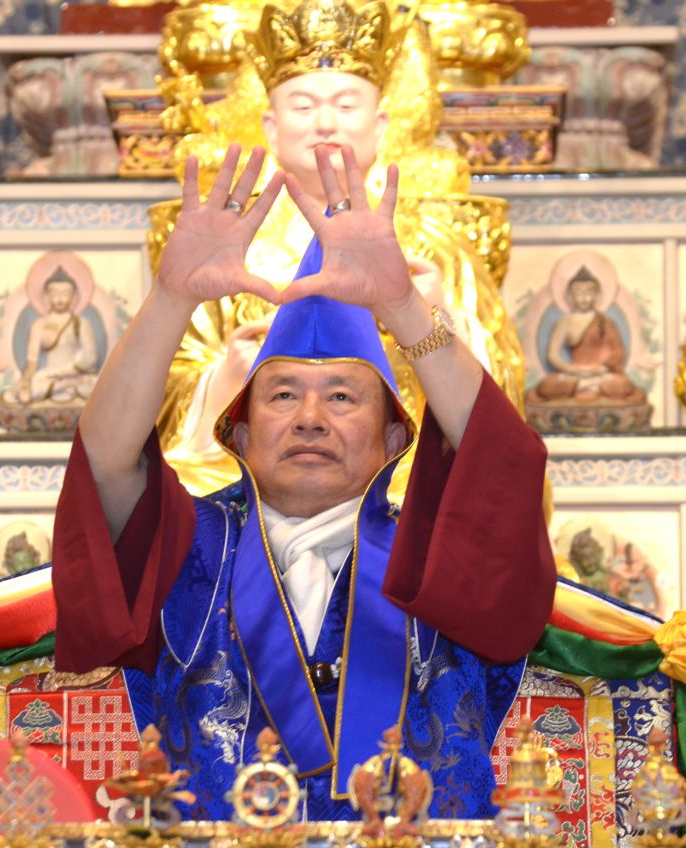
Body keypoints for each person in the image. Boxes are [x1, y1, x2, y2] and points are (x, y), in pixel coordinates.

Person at [52, 141, 554, 818]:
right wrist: (171, 299)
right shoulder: (189, 546)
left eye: (343, 397)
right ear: (236, 433)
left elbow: (502, 468)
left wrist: (403, 305)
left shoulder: (440, 557)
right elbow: (106, 462)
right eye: (283, 395)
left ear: (396, 440)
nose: (311, 418)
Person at [155, 0, 526, 495]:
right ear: (271, 127)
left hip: (403, 461)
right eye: (303, 107)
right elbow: (168, 384)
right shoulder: (230, 240)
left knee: (452, 493)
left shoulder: (431, 242)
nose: (325, 123)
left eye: (347, 106)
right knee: (182, 489)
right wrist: (226, 377)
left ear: (381, 124)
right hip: (251, 461)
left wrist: (433, 318)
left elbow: (503, 391)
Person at [532, 266, 646, 404]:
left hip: (601, 374)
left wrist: (602, 368)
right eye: (579, 293)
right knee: (546, 385)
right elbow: (552, 355)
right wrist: (571, 370)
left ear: (596, 295)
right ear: (570, 296)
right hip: (574, 374)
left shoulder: (605, 322)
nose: (584, 298)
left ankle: (583, 386)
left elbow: (618, 352)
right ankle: (588, 386)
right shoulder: (565, 322)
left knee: (623, 384)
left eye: (589, 293)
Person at [1, 266, 101, 406]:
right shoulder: (39, 325)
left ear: (73, 297)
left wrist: (68, 372)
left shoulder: (81, 324)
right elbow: (32, 361)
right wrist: (25, 382)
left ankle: (65, 386)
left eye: (65, 293)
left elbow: (90, 358)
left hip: (75, 374)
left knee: (98, 384)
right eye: (54, 293)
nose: (59, 299)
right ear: (46, 297)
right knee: (32, 385)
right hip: (49, 375)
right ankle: (66, 386)